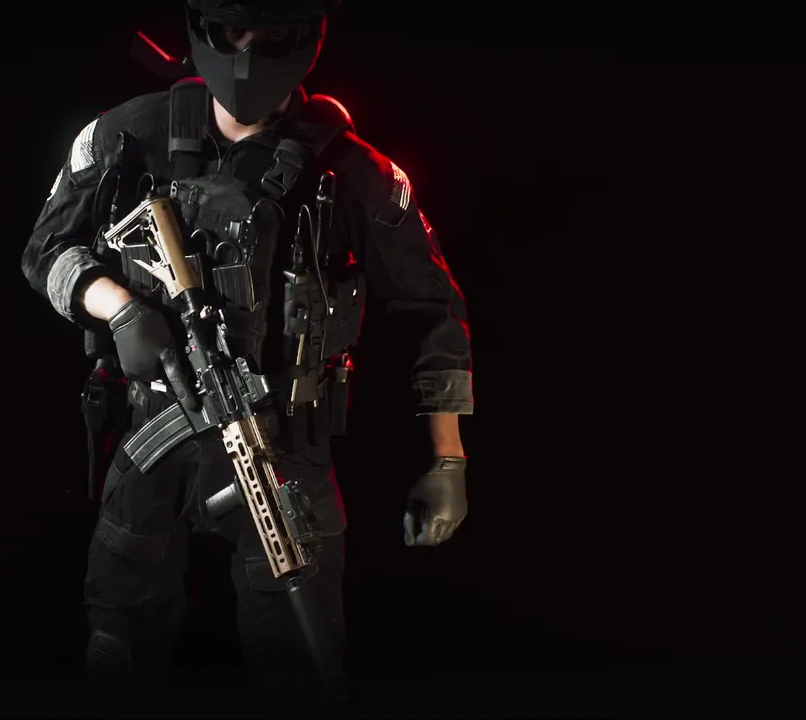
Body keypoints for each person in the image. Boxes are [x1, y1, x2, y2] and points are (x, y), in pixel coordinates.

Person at [23, 0, 474, 710]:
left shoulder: (351, 169)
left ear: (305, 38)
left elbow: (432, 307)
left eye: (270, 37)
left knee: (302, 661)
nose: (247, 55)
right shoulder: (128, 134)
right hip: (153, 434)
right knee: (119, 649)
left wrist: (447, 458)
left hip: (281, 446)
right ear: (204, 28)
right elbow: (45, 251)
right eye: (233, 33)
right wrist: (117, 305)